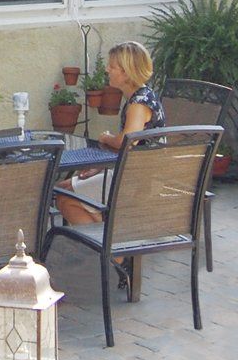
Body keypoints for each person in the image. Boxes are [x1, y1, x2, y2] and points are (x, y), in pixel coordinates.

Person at [55, 40, 166, 225]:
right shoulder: (141, 96)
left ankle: (109, 246)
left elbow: (126, 142)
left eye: (112, 66)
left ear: (126, 72)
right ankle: (109, 237)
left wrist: (106, 137)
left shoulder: (139, 104)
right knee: (65, 188)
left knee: (64, 196)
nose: (107, 69)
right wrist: (101, 167)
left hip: (138, 181)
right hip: (134, 172)